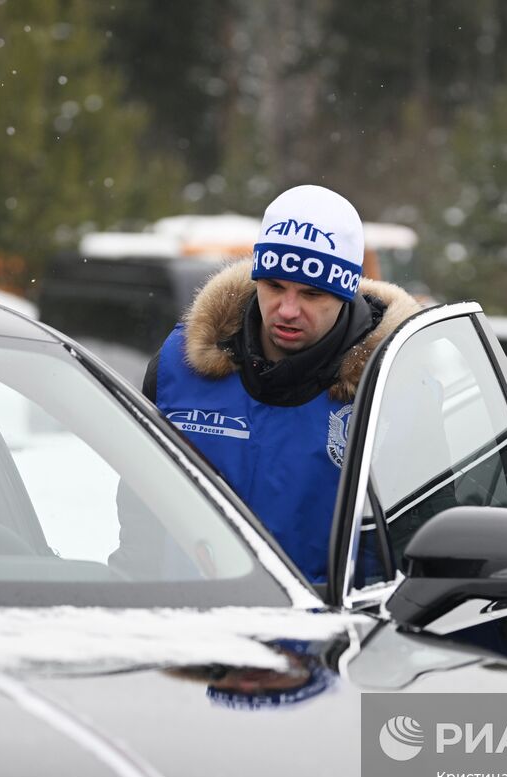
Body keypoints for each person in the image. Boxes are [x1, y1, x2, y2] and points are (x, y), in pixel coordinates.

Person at [141, 184, 421, 582]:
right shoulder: (179, 368)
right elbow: (140, 509)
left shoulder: (396, 386)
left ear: (345, 294)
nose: (288, 311)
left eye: (311, 293)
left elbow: (418, 545)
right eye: (274, 286)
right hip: (192, 626)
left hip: (333, 634)